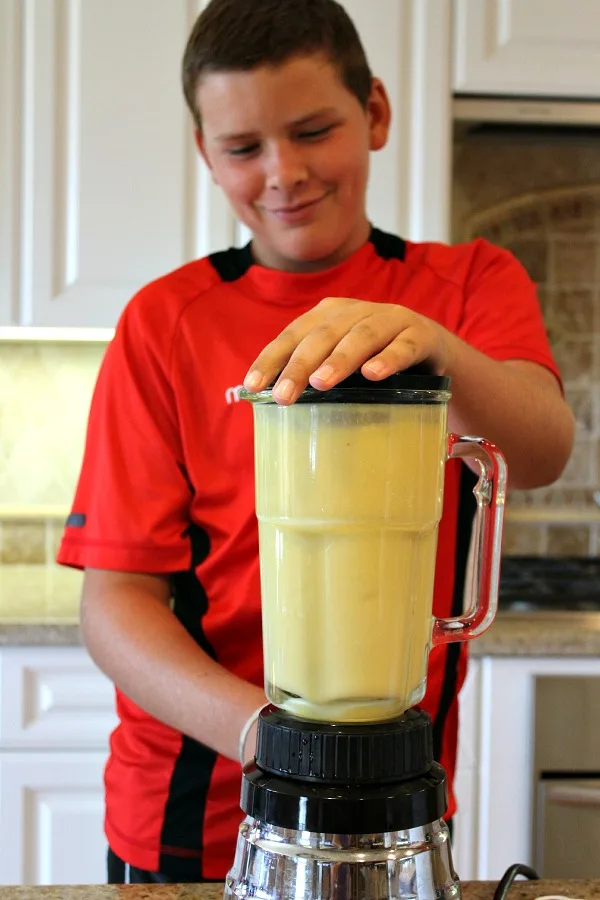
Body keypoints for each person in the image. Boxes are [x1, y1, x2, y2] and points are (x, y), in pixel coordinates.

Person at [57, 0, 575, 885]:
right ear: (205, 155)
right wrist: (273, 737)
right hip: (194, 810)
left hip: (393, 805)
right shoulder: (164, 322)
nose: (284, 173)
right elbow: (115, 607)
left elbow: (539, 449)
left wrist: (436, 348)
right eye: (244, 148)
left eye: (312, 131)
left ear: (373, 113)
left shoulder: (466, 285)